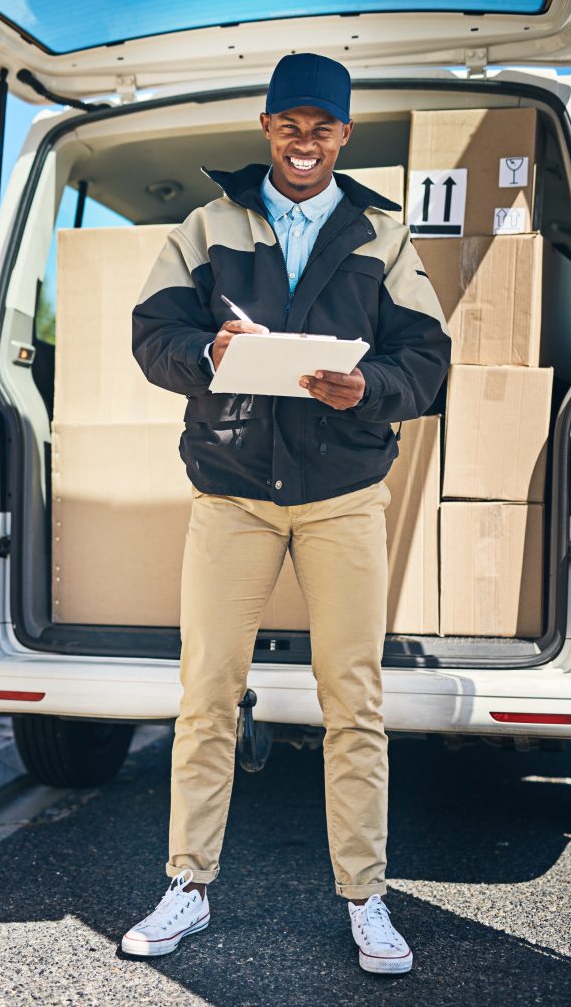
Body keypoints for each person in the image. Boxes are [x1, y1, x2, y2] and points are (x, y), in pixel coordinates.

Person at [123, 52, 451, 974]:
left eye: (323, 127)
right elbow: (153, 336)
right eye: (288, 124)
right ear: (265, 128)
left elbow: (425, 359)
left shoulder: (379, 236)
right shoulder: (206, 224)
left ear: (344, 136)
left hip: (343, 498)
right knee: (206, 696)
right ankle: (186, 886)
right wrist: (211, 351)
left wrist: (366, 387)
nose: (304, 142)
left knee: (354, 701)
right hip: (232, 495)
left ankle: (366, 899)